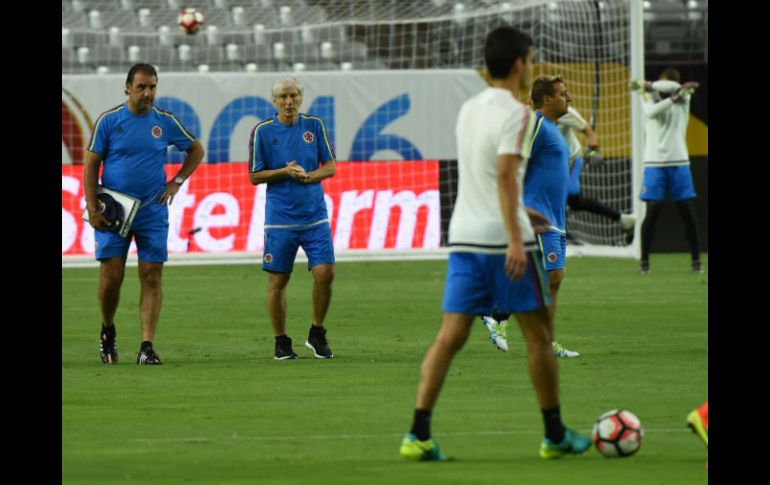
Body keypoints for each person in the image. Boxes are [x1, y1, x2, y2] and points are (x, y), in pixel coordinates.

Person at [399, 26, 590, 461]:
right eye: (532, 58)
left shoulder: (468, 107)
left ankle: (418, 434)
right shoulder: (520, 114)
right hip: (503, 239)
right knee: (540, 336)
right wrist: (516, 236)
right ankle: (554, 434)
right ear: (521, 62)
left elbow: (483, 174)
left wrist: (525, 213)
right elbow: (505, 174)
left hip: (465, 236)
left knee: (448, 338)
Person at [84, 63, 204, 365]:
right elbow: (90, 165)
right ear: (127, 88)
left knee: (151, 276)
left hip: (152, 210)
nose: (148, 93)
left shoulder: (164, 122)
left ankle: (146, 346)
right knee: (111, 278)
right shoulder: (110, 121)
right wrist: (91, 207)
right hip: (115, 212)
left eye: (152, 86)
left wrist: (176, 182)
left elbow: (196, 150)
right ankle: (108, 330)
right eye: (141, 87)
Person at [482, 76, 580, 359]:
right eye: (563, 94)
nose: (569, 98)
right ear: (547, 99)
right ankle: (499, 316)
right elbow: (513, 161)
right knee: (548, 276)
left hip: (556, 219)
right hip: (539, 217)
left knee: (554, 280)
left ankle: (531, 332)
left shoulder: (554, 130)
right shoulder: (536, 124)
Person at [248, 77, 337, 360]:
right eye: (284, 97)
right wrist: (283, 172)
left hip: (315, 217)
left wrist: (310, 175)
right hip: (280, 219)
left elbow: (331, 167)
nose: (289, 102)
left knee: (326, 273)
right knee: (278, 280)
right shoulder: (262, 131)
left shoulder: (314, 126)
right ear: (274, 101)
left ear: (301, 98)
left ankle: (317, 333)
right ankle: (281, 341)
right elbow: (254, 176)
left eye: (294, 95)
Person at [630, 68, 703, 274]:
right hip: (654, 163)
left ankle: (696, 262)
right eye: (658, 85)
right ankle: (644, 263)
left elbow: (675, 90)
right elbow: (651, 112)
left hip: (679, 162)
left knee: (686, 212)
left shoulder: (684, 98)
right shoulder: (649, 97)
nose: (660, 88)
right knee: (652, 213)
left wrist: (677, 93)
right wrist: (652, 87)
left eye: (665, 85)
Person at [557, 106, 636, 237]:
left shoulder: (565, 112)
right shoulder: (530, 115)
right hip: (550, 163)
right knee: (572, 202)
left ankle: (621, 219)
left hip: (571, 160)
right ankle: (622, 219)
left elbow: (589, 132)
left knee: (570, 197)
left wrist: (594, 150)